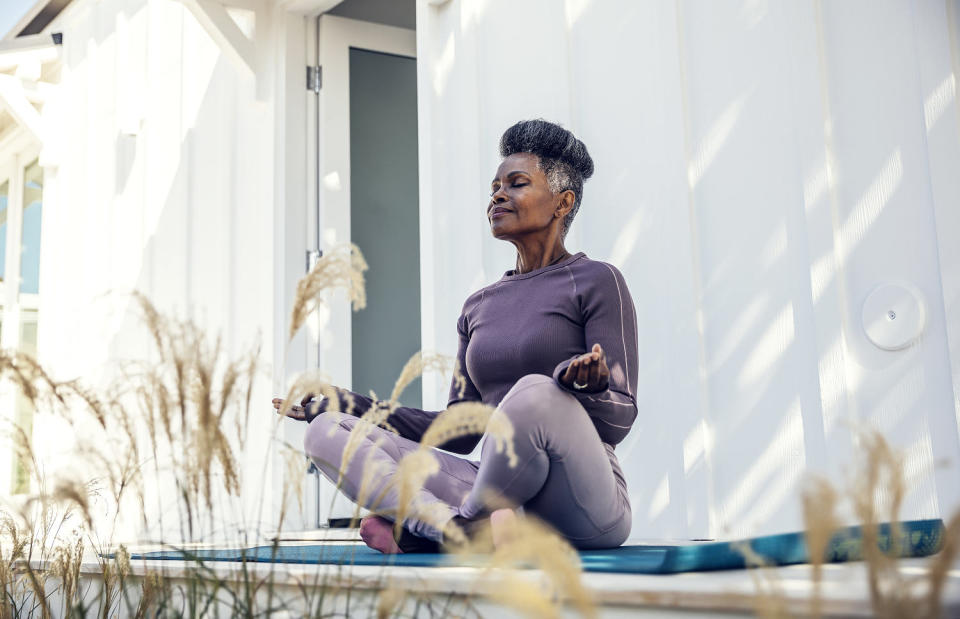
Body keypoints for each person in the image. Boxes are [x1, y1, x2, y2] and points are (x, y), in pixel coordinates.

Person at [273, 119, 638, 554]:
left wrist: (589, 388)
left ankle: (456, 526)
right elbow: (459, 430)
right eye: (494, 187)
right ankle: (454, 529)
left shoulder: (597, 280)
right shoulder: (479, 305)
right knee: (327, 431)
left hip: (582, 504)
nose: (498, 195)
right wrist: (348, 403)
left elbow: (620, 420)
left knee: (535, 391)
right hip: (500, 495)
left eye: (517, 183)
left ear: (563, 202)